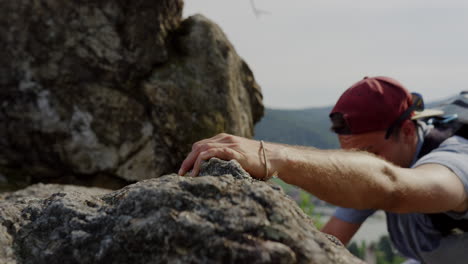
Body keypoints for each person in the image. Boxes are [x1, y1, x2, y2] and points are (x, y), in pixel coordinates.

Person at [178, 76, 468, 264]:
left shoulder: (456, 160)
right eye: (351, 156)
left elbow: (390, 184)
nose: (363, 165)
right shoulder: (390, 159)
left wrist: (275, 157)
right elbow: (326, 241)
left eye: (369, 154)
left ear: (406, 130)